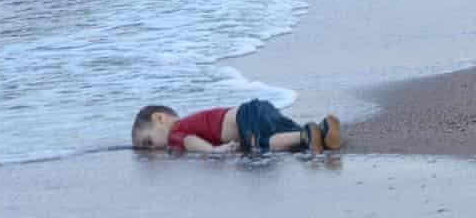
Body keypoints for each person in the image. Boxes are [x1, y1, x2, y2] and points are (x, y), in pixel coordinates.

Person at [131, 98, 343, 155]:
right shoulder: (190, 121)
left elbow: (189, 142)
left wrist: (213, 150)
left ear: (160, 119)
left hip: (245, 117)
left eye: (148, 142)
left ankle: (306, 135)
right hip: (256, 108)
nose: (152, 149)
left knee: (262, 143)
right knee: (285, 132)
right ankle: (322, 130)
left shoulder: (175, 133)